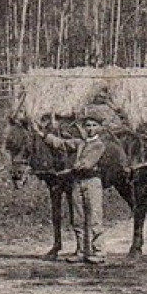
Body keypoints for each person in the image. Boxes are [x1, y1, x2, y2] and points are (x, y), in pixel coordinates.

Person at [44, 109, 109, 265]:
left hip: (92, 182)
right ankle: (81, 251)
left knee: (94, 218)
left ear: (99, 128)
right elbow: (62, 144)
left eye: (94, 125)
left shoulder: (99, 145)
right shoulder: (80, 143)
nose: (90, 128)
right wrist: (44, 135)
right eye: (87, 125)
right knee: (78, 218)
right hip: (77, 183)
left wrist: (66, 171)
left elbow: (86, 164)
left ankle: (98, 252)